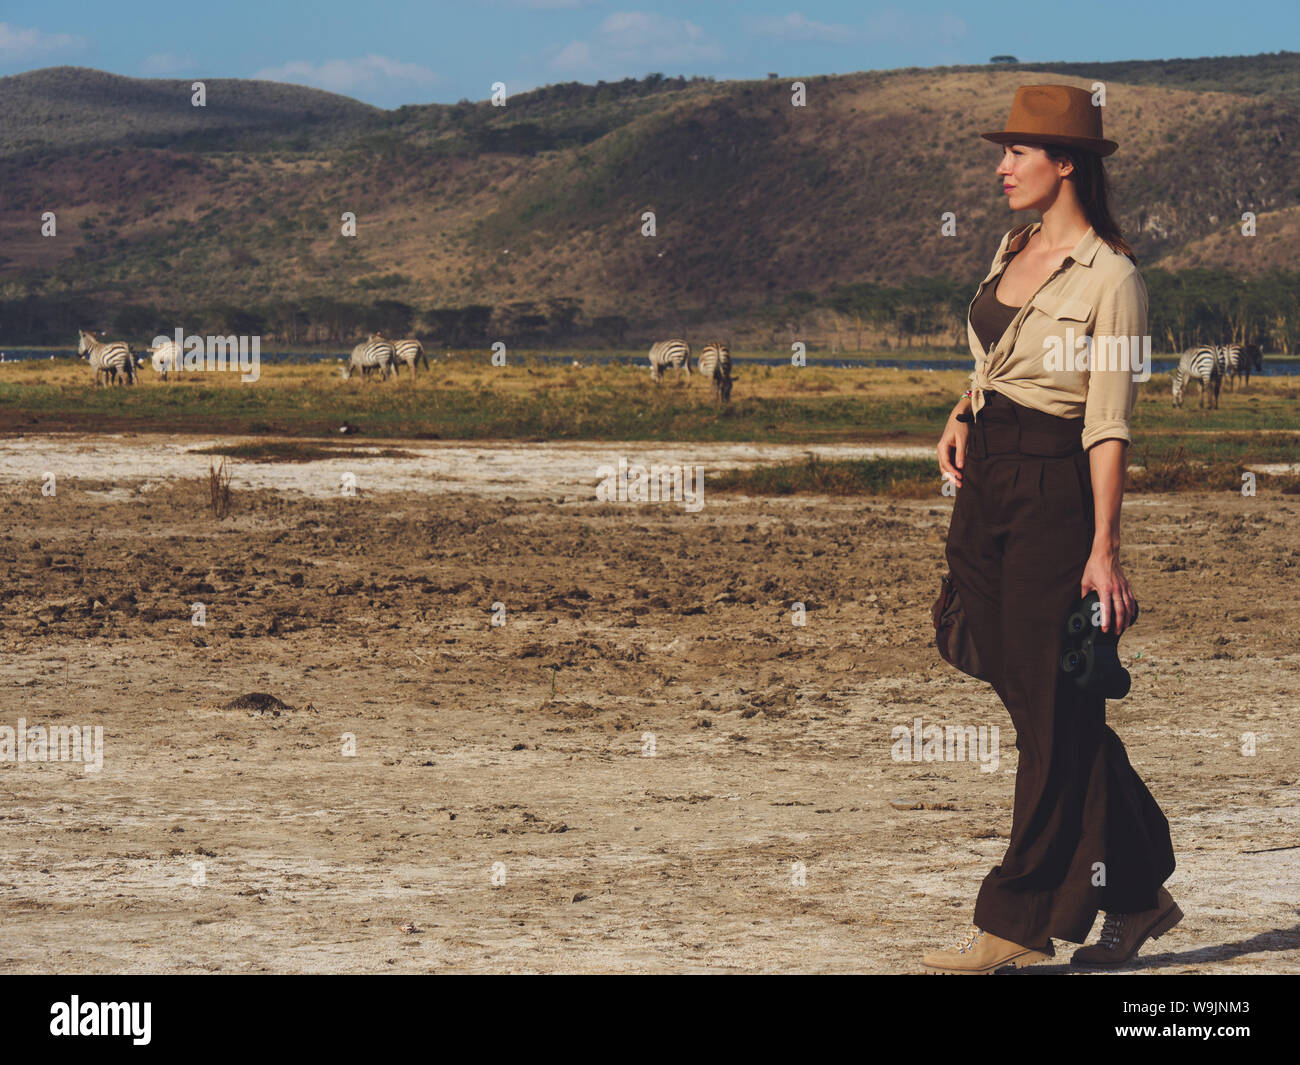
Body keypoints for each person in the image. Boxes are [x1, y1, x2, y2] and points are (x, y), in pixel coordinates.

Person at [924, 85, 1180, 973]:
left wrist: (1104, 548)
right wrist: (963, 409)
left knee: (1051, 705)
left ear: (1065, 162)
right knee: (1041, 698)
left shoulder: (1115, 279)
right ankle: (1140, 891)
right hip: (984, 479)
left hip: (1053, 492)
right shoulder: (1013, 244)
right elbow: (995, 357)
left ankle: (1018, 918)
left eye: (1017, 153)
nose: (1000, 167)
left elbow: (1108, 421)